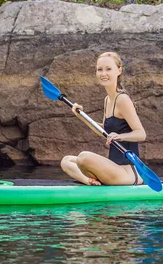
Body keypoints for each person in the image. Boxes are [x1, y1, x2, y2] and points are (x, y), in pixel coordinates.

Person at [60, 52, 147, 186]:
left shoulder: (122, 99)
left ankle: (94, 181)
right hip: (113, 168)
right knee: (66, 161)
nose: (103, 73)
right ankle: (89, 181)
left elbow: (141, 134)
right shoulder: (107, 100)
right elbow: (104, 131)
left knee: (84, 157)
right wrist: (81, 116)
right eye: (99, 69)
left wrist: (119, 136)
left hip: (128, 172)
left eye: (108, 69)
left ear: (119, 70)